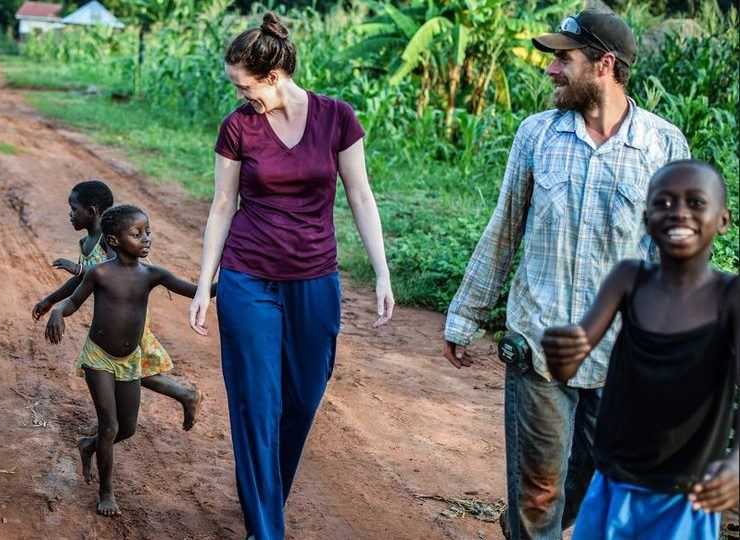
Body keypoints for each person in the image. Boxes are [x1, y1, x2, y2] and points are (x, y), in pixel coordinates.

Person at [441, 10, 690, 539]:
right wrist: (465, 315)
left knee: (591, 482)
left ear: (604, 64)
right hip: (541, 341)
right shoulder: (538, 135)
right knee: (539, 496)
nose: (550, 69)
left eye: (563, 57)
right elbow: (504, 227)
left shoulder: (662, 146)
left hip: (620, 355)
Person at [186, 12, 393, 540]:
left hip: (314, 277)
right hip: (247, 276)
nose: (240, 95)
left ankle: (264, 494)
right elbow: (222, 205)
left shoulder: (337, 117)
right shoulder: (238, 125)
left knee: (303, 395)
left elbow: (360, 196)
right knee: (257, 402)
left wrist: (382, 271)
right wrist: (205, 284)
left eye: (245, 85)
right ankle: (265, 527)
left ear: (273, 75)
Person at [542, 160, 738, 539]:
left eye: (696, 202)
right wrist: (561, 352)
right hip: (613, 482)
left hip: (684, 497)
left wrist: (735, 467)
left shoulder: (730, 297)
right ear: (647, 218)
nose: (678, 211)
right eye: (663, 203)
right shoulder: (629, 279)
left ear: (724, 219)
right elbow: (569, 369)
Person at [44, 205, 216, 517]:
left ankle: (88, 445)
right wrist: (57, 311)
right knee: (109, 425)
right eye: (137, 234)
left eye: (147, 231)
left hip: (130, 359)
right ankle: (106, 491)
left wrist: (236, 275)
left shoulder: (153, 274)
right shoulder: (100, 273)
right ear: (115, 239)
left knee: (127, 429)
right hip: (99, 357)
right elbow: (73, 301)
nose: (146, 238)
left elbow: (199, 291)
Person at [32, 181, 203, 432]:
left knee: (126, 363)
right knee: (124, 365)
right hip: (113, 311)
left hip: (129, 310)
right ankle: (112, 421)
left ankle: (180, 396)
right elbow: (82, 279)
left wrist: (79, 269)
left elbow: (117, 268)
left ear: (91, 211)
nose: (70, 214)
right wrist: (51, 300)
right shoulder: (86, 242)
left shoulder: (108, 239)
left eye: (73, 209)